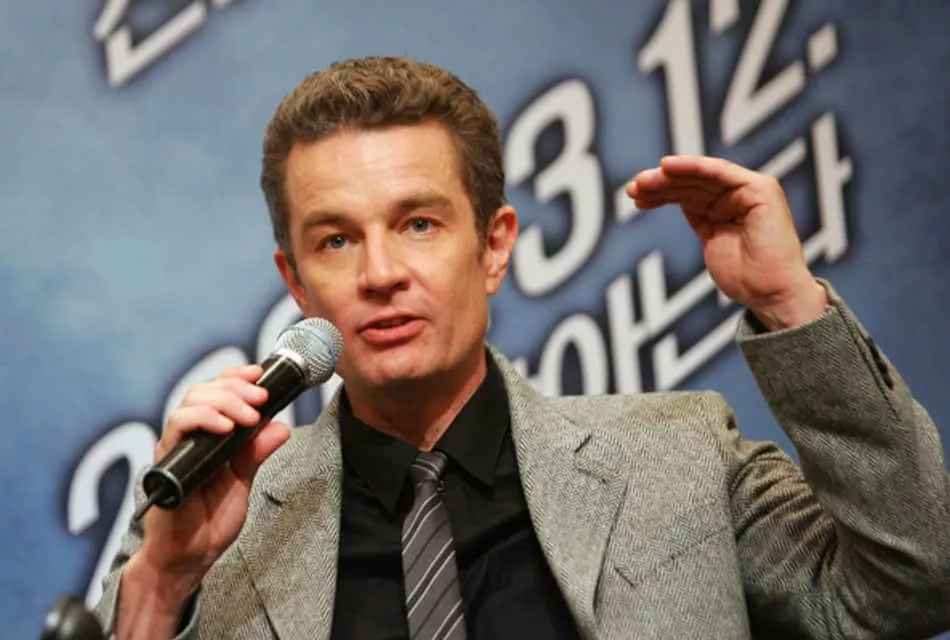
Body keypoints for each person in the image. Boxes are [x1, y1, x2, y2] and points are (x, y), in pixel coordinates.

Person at [92, 56, 950, 639]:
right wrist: (162, 583)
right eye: (337, 240)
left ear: (495, 246)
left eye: (418, 224)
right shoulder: (203, 518)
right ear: (295, 280)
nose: (380, 274)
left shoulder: (683, 453)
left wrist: (787, 301)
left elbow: (914, 584)